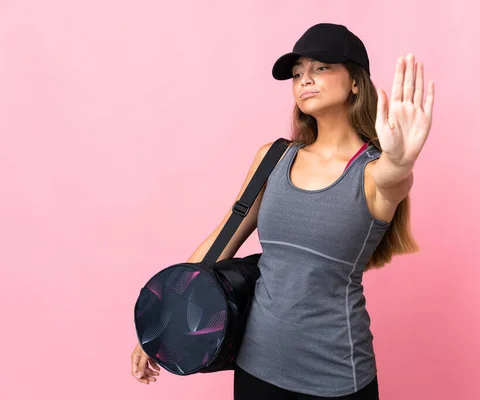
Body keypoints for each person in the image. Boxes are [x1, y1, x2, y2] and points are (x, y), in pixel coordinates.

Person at [130, 22, 434, 399]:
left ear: (356, 82)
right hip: (255, 369)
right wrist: (161, 326)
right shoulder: (273, 158)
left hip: (336, 378)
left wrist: (402, 160)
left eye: (321, 68)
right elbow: (221, 241)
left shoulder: (372, 173)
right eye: (297, 73)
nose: (306, 79)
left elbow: (394, 177)